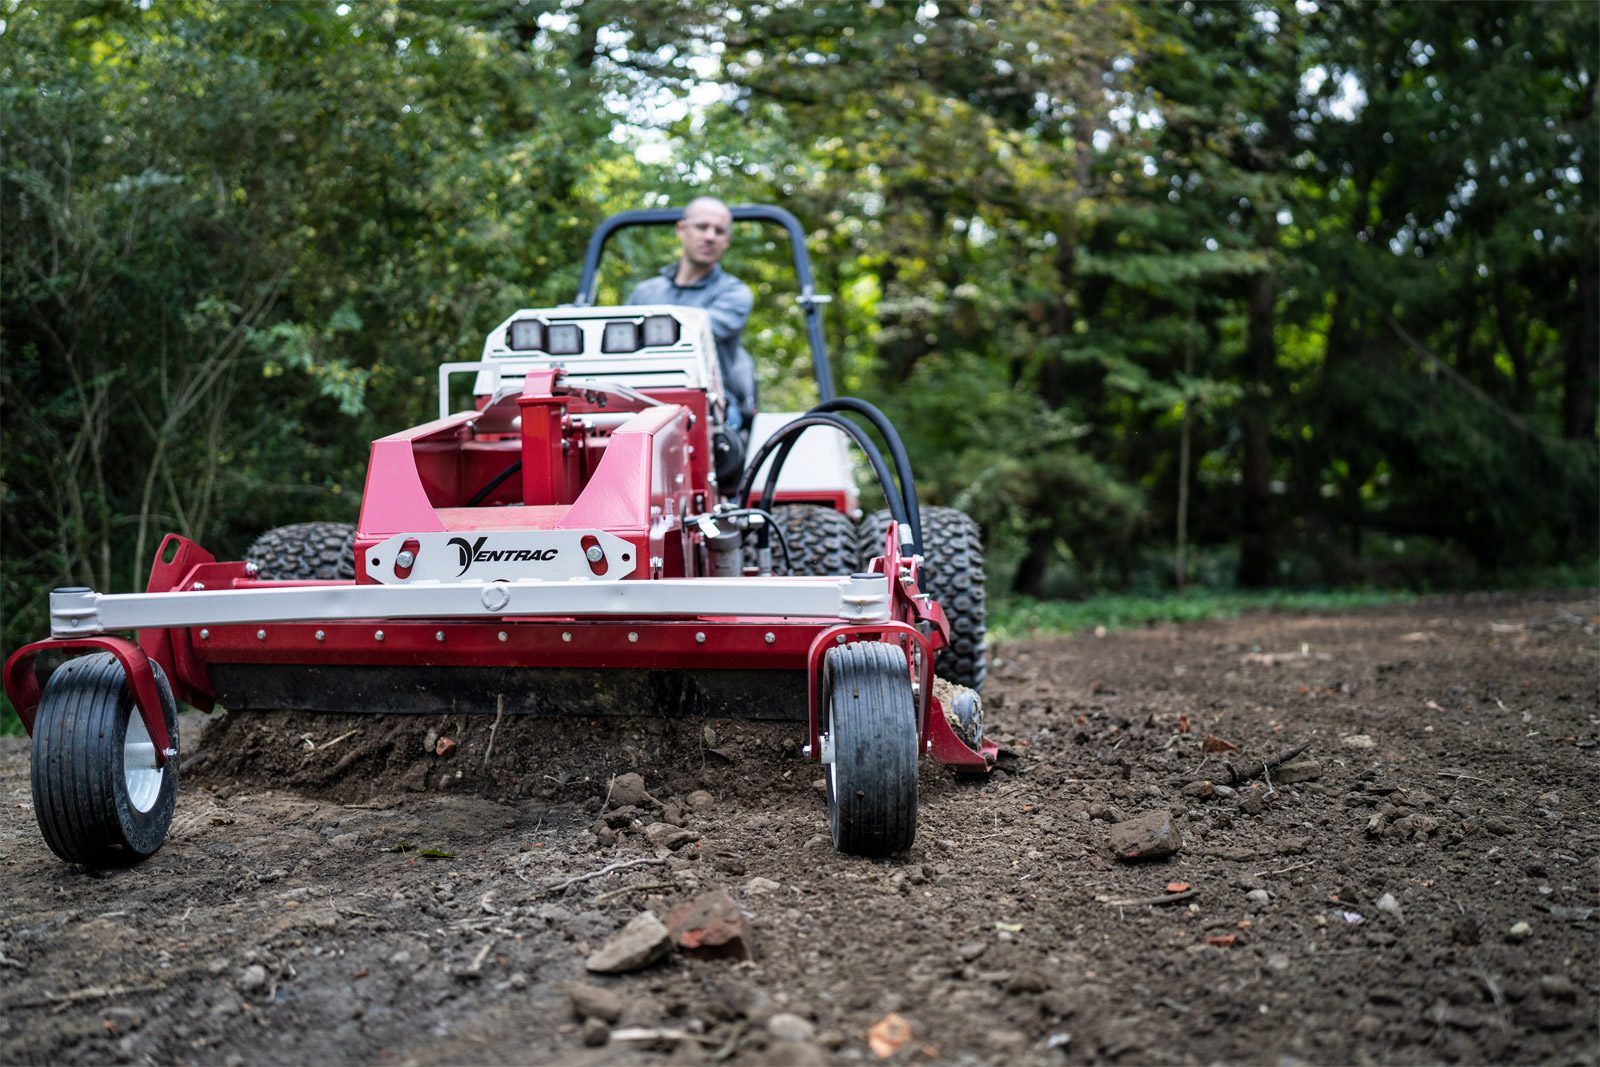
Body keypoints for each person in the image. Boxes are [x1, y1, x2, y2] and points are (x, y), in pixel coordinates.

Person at [628, 197, 757, 430]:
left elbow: (694, 334)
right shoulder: (644, 293)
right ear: (682, 229)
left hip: (713, 405)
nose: (710, 236)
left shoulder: (734, 293)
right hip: (640, 398)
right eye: (701, 227)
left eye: (719, 231)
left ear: (726, 240)